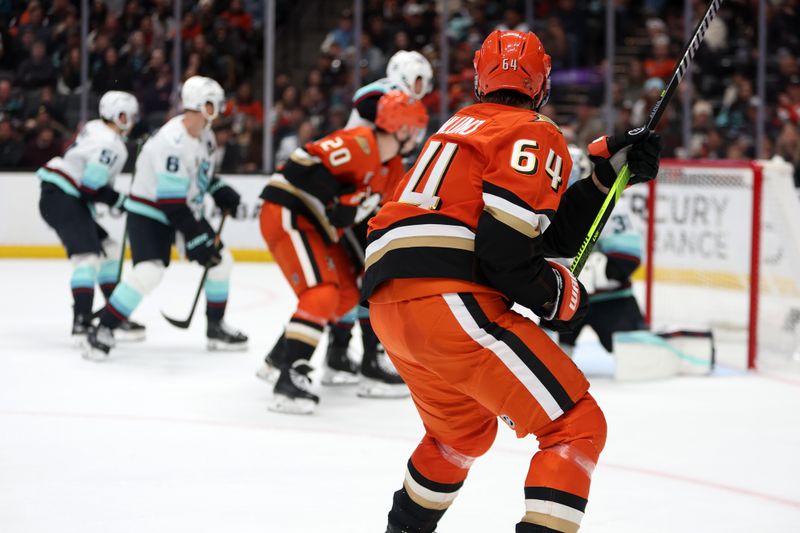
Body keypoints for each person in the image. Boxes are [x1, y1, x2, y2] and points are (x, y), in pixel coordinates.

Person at [361, 30, 661, 532]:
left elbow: (534, 238)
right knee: (575, 424)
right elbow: (505, 255)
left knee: (457, 437)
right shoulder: (534, 130)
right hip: (450, 303)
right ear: (542, 84)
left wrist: (602, 181)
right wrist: (556, 295)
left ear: (480, 78)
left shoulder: (453, 129)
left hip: (391, 307)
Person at [257, 90, 428, 414]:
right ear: (402, 128)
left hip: (318, 227)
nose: (417, 137)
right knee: (321, 293)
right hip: (288, 212)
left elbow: (373, 220)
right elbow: (300, 164)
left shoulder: (390, 169)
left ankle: (281, 354)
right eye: (416, 129)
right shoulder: (360, 142)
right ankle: (289, 377)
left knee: (348, 293)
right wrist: (335, 197)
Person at [84, 76, 248, 360]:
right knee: (149, 272)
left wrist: (222, 192)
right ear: (199, 104)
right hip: (150, 214)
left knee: (221, 263)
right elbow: (170, 200)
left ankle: (215, 327)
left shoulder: (205, 136)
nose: (218, 109)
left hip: (182, 211)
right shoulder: (171, 141)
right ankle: (102, 328)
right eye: (213, 104)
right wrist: (195, 236)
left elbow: (199, 177)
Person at [317, 49, 433, 395]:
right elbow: (365, 100)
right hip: (357, 196)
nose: (421, 89)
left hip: (363, 195)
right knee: (373, 279)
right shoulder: (379, 96)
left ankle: (340, 353)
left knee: (360, 280)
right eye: (417, 80)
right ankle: (369, 357)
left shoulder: (397, 109)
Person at [37, 91, 144, 344]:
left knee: (109, 249)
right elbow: (90, 187)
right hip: (64, 197)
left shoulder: (95, 128)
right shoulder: (112, 144)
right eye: (125, 115)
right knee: (88, 257)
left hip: (59, 196)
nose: (130, 121)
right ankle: (82, 321)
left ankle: (113, 314)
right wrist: (121, 201)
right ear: (115, 115)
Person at [543, 146, 647, 356]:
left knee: (637, 356)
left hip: (611, 300)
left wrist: (592, 272)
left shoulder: (610, 204)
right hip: (563, 300)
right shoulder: (542, 205)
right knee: (540, 359)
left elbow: (626, 260)